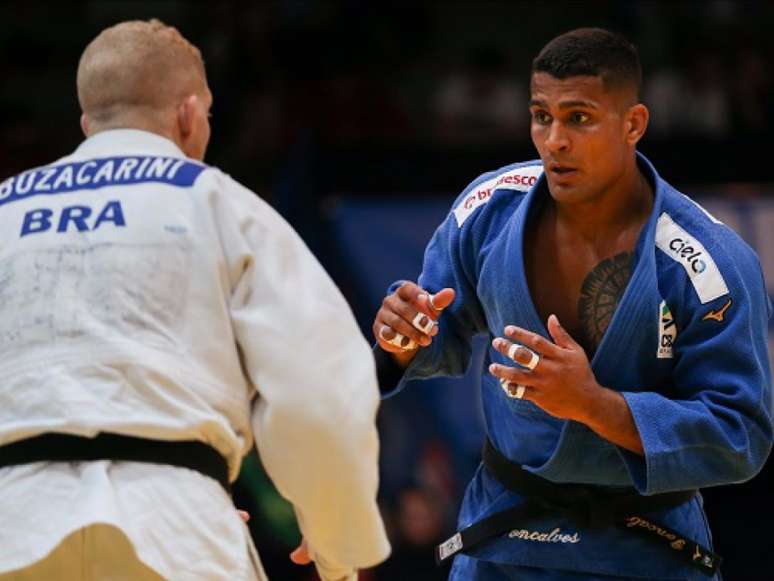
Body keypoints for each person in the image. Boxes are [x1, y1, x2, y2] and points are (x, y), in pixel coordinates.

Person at [373, 28, 772, 580]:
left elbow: (739, 435)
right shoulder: (487, 211)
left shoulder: (706, 262)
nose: (554, 140)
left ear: (633, 124)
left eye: (579, 118)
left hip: (646, 553)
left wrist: (593, 405)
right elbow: (437, 334)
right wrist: (401, 341)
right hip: (504, 543)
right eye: (542, 116)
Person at [0, 19, 389, 581]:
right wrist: (336, 543)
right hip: (175, 530)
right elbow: (321, 400)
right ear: (188, 114)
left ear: (88, 123)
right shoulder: (221, 203)